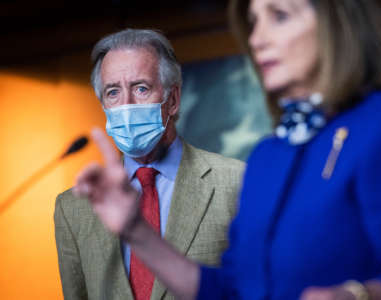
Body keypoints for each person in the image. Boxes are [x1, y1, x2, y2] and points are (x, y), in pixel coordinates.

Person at [73, 0, 381, 299]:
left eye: (280, 16)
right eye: (254, 22)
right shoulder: (266, 158)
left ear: (337, 22)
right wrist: (135, 231)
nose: (257, 38)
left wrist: (360, 294)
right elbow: (231, 290)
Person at [54, 29, 244, 300]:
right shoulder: (73, 208)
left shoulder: (236, 182)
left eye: (141, 88)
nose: (127, 105)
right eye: (113, 92)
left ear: (173, 100)